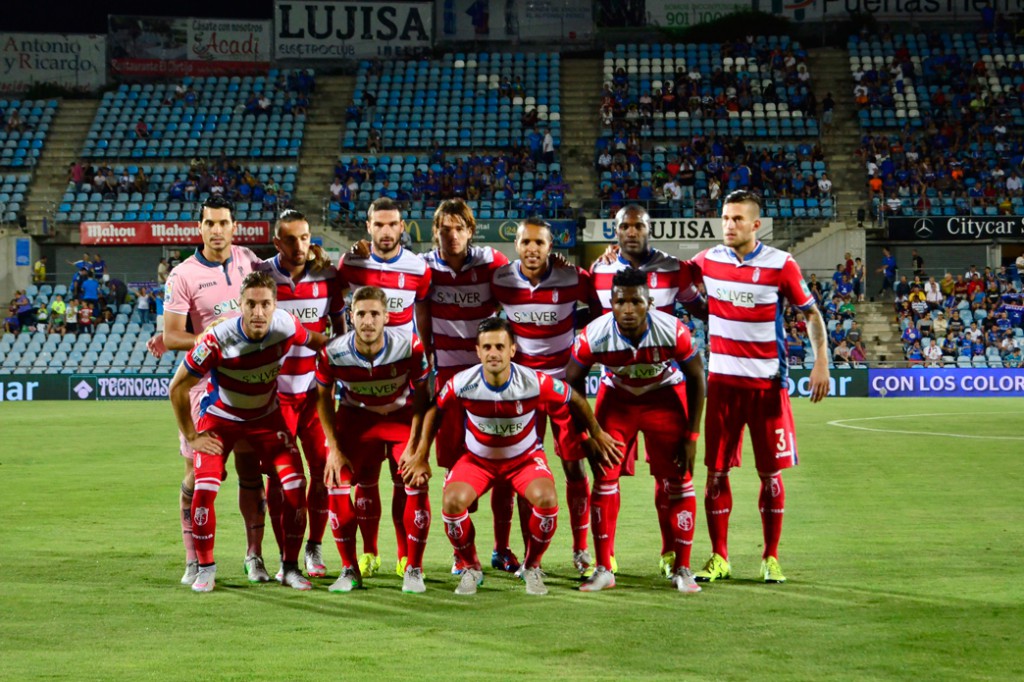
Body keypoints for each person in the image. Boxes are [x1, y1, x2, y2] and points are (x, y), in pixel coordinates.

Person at [409, 317, 621, 596]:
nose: (493, 353)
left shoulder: (533, 381)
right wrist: (421, 454)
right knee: (451, 502)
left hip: (523, 460)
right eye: (487, 347)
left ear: (512, 349)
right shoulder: (464, 382)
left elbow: (575, 399)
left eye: (500, 346)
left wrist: (596, 433)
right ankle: (472, 567)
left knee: (547, 500)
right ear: (478, 351)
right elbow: (435, 410)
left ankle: (531, 567)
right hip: (478, 461)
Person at [689, 190, 830, 585]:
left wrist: (822, 360)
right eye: (725, 218)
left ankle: (770, 557)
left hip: (767, 387)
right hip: (721, 387)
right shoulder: (708, 260)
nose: (729, 225)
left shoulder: (780, 264)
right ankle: (719, 557)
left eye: (737, 219)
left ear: (755, 225)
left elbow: (811, 313)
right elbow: (668, 274)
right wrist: (615, 257)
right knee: (716, 473)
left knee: (770, 474)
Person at [168, 271, 327, 592]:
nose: (258, 312)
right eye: (251, 304)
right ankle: (206, 568)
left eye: (265, 304)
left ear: (275, 305)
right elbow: (178, 387)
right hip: (221, 419)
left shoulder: (285, 325)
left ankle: (291, 567)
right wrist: (193, 434)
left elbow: (317, 341)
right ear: (239, 305)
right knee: (206, 487)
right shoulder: (217, 338)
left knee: (296, 486)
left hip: (266, 419)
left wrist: (347, 351)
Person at [147, 195, 268, 586]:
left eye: (223, 222)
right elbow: (172, 335)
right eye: (209, 223)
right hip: (204, 389)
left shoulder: (250, 261)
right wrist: (210, 337)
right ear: (199, 227)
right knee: (196, 475)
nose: (217, 230)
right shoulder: (182, 275)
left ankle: (254, 556)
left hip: (248, 385)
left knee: (252, 472)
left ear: (234, 226)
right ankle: (193, 558)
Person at [567, 267, 706, 593]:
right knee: (604, 478)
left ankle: (683, 569)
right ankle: (604, 570)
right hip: (617, 399)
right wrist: (587, 434)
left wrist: (692, 435)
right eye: (620, 302)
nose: (628, 309)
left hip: (663, 398)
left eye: (635, 302)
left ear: (650, 303)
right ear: (610, 303)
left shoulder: (672, 330)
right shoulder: (595, 334)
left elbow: (698, 377)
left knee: (679, 480)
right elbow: (571, 383)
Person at [590, 203, 704, 577]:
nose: (633, 232)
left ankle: (671, 552)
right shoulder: (601, 269)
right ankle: (604, 559)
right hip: (617, 386)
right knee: (604, 474)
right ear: (616, 230)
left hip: (662, 384)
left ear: (649, 230)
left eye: (639, 226)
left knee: (668, 475)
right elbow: (593, 318)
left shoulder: (675, 268)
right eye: (626, 226)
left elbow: (702, 309)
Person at [418, 199, 524, 575]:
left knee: (503, 462)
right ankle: (462, 553)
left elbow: (520, 289)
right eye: (445, 229)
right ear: (435, 232)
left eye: (459, 227)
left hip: (490, 382)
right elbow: (420, 309)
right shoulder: (425, 267)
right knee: (456, 467)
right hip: (448, 381)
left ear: (470, 230)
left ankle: (501, 548)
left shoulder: (492, 262)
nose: (452, 235)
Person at [491, 217, 597, 575]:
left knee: (573, 466)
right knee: (522, 470)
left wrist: (574, 326)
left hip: (564, 389)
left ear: (551, 247)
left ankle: (581, 551)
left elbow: (599, 306)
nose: (532, 249)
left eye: (539, 243)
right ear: (516, 246)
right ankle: (524, 555)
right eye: (525, 243)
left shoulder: (572, 277)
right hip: (520, 389)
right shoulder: (502, 280)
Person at [315, 286, 432, 593]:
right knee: (335, 479)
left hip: (400, 418)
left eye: (374, 314)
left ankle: (414, 570)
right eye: (362, 314)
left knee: (416, 479)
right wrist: (334, 448)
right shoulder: (333, 351)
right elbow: (323, 397)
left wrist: (416, 449)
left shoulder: (409, 346)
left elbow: (423, 399)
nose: (368, 321)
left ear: (387, 317)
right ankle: (349, 570)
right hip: (356, 420)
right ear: (351, 317)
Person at [338, 197, 432, 578]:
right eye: (379, 225)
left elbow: (421, 319)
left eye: (393, 224)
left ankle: (404, 555)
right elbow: (335, 308)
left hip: (402, 392)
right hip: (358, 393)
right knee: (364, 480)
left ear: (402, 226)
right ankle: (369, 552)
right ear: (368, 227)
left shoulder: (418, 268)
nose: (386, 231)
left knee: (402, 477)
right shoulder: (351, 264)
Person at [257, 209, 344, 581]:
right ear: (277, 242)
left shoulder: (327, 276)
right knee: (280, 479)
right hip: (274, 399)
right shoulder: (261, 276)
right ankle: (284, 555)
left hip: (314, 394)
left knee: (325, 472)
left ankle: (314, 546)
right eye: (290, 239)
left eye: (305, 237)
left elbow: (339, 331)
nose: (299, 246)